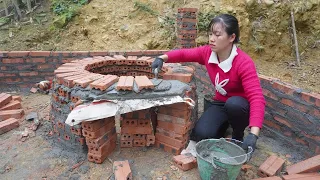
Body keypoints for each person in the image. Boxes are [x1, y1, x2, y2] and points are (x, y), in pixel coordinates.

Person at [151, 14, 266, 154]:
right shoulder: (208, 53)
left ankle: (238, 134)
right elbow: (185, 54)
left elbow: (257, 98)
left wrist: (253, 135)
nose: (212, 39)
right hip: (220, 103)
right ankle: (223, 126)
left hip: (240, 106)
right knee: (202, 134)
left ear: (232, 37)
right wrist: (162, 58)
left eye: (217, 35)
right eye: (210, 34)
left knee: (234, 104)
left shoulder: (243, 63)